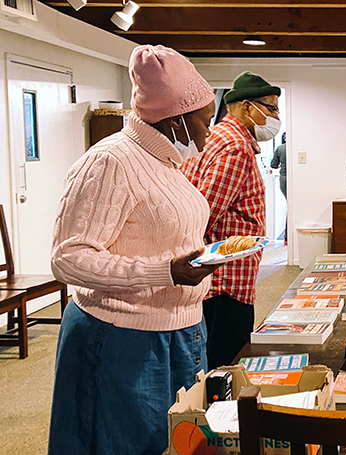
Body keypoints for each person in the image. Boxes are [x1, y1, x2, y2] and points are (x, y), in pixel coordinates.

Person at [49, 44, 220, 455]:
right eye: (204, 120)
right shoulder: (110, 161)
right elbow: (68, 256)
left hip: (180, 331)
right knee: (128, 443)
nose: (208, 132)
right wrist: (164, 272)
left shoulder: (165, 161)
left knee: (180, 442)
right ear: (176, 119)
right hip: (124, 339)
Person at [181, 71, 282, 369]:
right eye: (272, 108)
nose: (276, 117)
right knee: (227, 363)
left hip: (217, 277)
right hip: (226, 279)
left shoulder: (216, 137)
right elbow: (205, 212)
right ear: (248, 107)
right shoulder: (235, 147)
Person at [270, 132, 287, 242]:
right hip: (293, 179)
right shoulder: (296, 148)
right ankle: (288, 236)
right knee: (292, 208)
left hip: (283, 180)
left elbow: (273, 165)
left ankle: (286, 237)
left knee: (289, 207)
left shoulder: (280, 148)